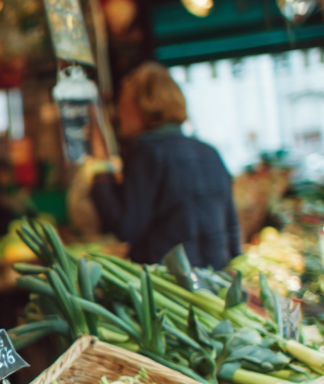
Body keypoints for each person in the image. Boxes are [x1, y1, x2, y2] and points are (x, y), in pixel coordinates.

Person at [89, 61, 240, 269]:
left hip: (173, 288)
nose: (118, 113)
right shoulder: (209, 152)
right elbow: (232, 229)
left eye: (122, 104)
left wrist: (100, 169)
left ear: (138, 106)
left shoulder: (146, 152)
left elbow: (125, 228)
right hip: (214, 283)